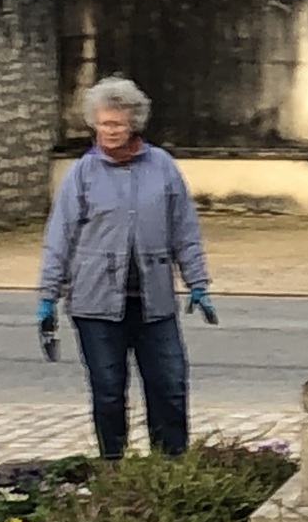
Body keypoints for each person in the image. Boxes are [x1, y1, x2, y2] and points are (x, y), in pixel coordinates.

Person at [37, 76, 213, 459]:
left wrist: (198, 282)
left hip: (154, 303)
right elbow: (59, 237)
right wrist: (48, 295)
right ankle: (113, 469)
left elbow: (184, 229)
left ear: (133, 122)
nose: (109, 131)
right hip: (95, 304)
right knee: (108, 390)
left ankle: (170, 468)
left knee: (169, 385)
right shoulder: (81, 174)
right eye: (102, 123)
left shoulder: (162, 166)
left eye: (116, 123)